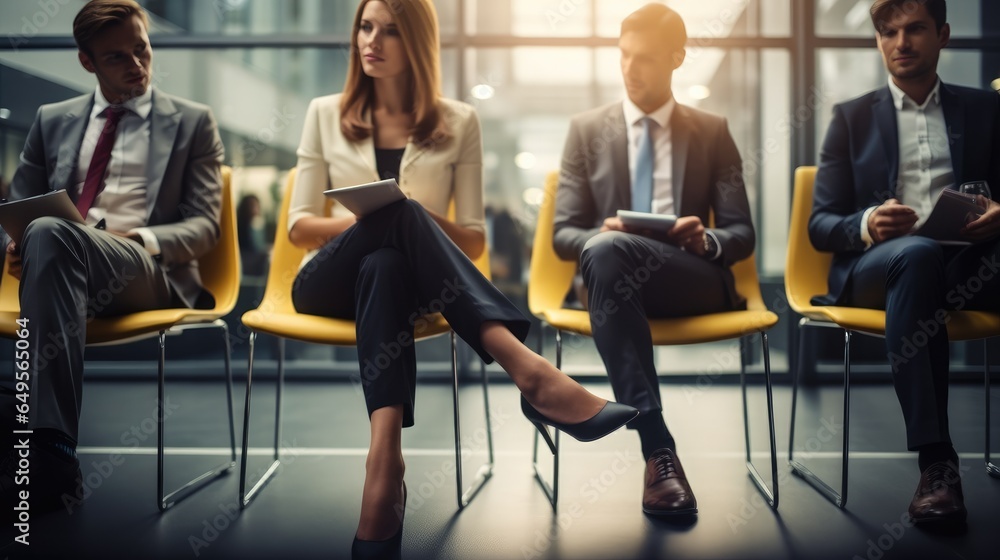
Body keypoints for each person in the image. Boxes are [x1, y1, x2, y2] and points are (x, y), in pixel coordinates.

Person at [287, 1, 637, 557]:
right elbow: (300, 227)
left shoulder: (458, 122)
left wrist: (408, 218)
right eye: (365, 26)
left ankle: (384, 471)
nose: (371, 40)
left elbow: (473, 237)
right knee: (394, 223)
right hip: (324, 285)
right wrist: (383, 216)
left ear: (419, 43)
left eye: (391, 31)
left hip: (405, 286)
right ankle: (532, 374)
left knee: (388, 260)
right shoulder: (324, 112)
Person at [0, 0, 224, 512]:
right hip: (59, 262)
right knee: (49, 234)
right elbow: (13, 206)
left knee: (53, 233)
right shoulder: (51, 120)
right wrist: (15, 246)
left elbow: (205, 225)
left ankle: (42, 445)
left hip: (146, 269)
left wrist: (140, 239)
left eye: (142, 49)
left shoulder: (192, 122)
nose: (137, 65)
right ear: (87, 62)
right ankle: (50, 454)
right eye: (117, 57)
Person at [553, 3, 755, 518]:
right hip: (612, 275)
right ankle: (658, 447)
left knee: (606, 253)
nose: (629, 69)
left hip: (690, 277)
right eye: (623, 56)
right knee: (604, 249)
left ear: (676, 58)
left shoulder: (712, 131)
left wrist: (703, 239)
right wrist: (605, 233)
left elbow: (741, 232)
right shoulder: (584, 129)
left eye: (644, 58)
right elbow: (562, 234)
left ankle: (653, 444)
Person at [810, 0, 1000, 524]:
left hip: (967, 266)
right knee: (916, 254)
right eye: (888, 32)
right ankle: (937, 463)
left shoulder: (985, 110)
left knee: (932, 259)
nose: (901, 42)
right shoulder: (850, 118)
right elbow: (820, 225)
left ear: (941, 34)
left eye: (915, 28)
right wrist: (867, 221)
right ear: (877, 41)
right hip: (881, 269)